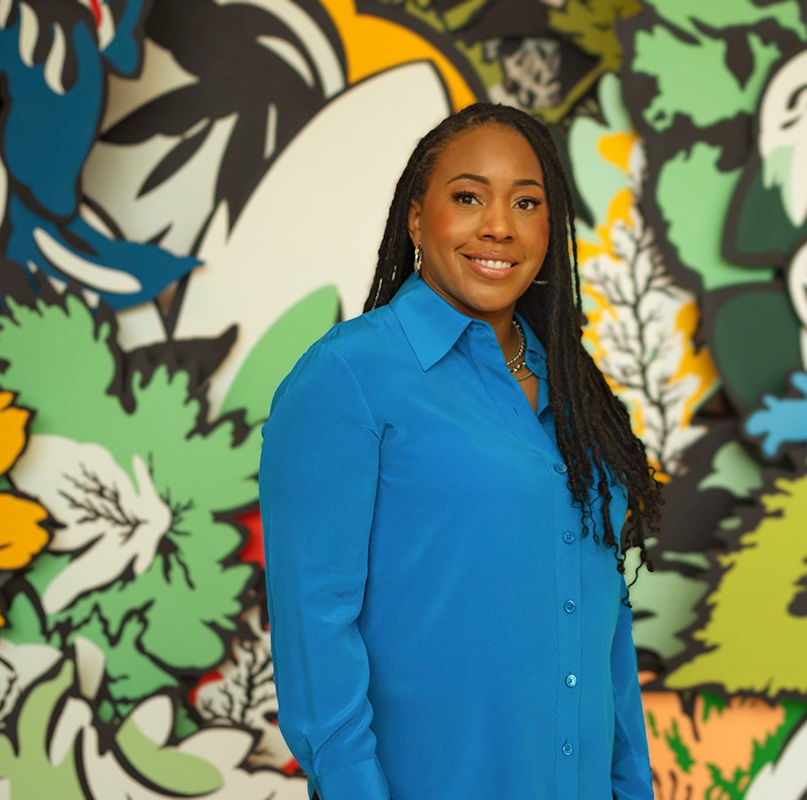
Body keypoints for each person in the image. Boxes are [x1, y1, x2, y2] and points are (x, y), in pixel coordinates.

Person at [260, 103, 662, 800]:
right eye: (469, 197)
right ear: (417, 219)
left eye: (526, 203)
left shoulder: (577, 395)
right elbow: (316, 631)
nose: (499, 226)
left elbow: (605, 630)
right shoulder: (348, 377)